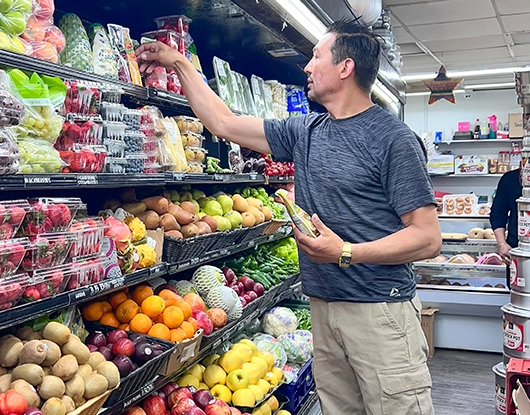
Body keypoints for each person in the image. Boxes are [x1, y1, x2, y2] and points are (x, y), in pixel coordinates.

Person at [135, 21, 441, 415]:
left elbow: (428, 237)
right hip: (324, 305)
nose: (307, 67)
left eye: (316, 57)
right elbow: (223, 123)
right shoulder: (307, 131)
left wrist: (346, 251)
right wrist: (179, 62)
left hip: (379, 310)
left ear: (345, 68)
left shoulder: (392, 139)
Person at [489, 167, 522, 283]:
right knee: (519, 294)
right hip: (517, 249)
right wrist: (502, 243)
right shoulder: (510, 179)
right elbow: (498, 213)